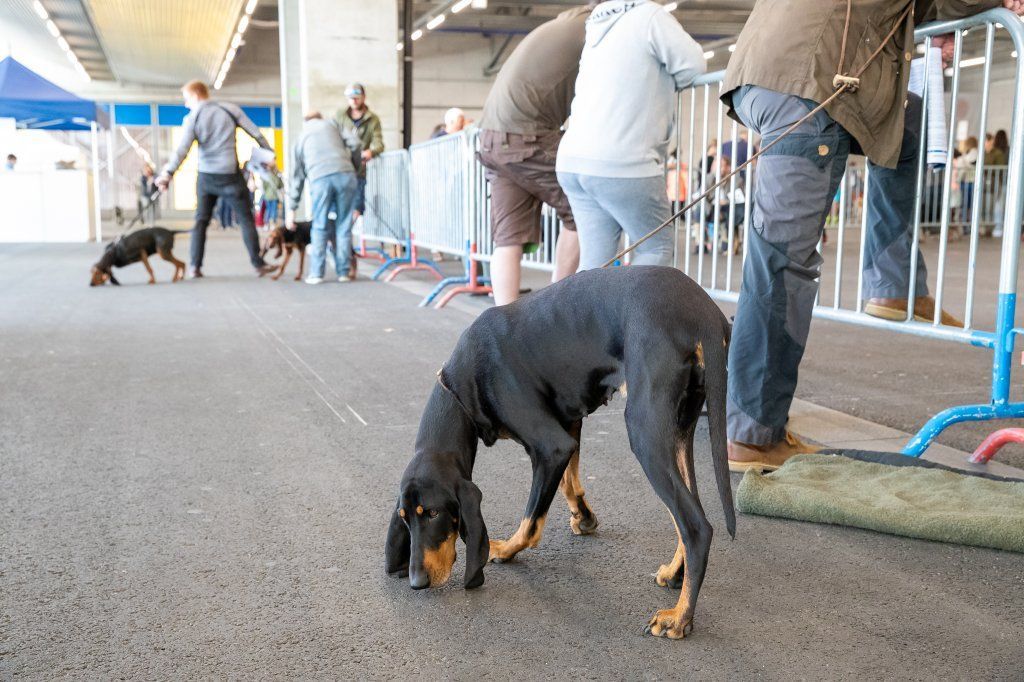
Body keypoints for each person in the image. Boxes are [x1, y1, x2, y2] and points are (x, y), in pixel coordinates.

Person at [720, 0, 1016, 472]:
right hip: (810, 85)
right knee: (782, 262)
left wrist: (928, 22)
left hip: (772, 72)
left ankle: (893, 284)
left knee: (907, 124)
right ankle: (752, 435)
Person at [557, 0, 705, 271]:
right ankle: (635, 314)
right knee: (656, 247)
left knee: (594, 264)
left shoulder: (595, 27)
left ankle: (586, 314)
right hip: (623, 160)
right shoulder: (650, 17)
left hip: (573, 160)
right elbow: (694, 66)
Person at [477, 4, 591, 305]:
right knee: (586, 208)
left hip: (491, 136)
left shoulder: (566, 22)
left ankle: (505, 323)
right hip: (526, 135)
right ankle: (555, 308)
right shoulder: (598, 28)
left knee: (508, 240)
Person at [155, 80, 276, 278]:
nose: (186, 104)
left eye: (186, 99)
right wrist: (269, 155)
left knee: (200, 222)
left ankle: (195, 267)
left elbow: (182, 150)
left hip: (207, 177)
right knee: (246, 219)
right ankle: (258, 263)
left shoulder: (193, 117)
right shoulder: (230, 110)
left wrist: (167, 174)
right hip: (231, 175)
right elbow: (257, 133)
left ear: (195, 95)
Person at [287, 111, 362, 284]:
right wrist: (354, 168)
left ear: (306, 122)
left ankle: (316, 274)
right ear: (321, 118)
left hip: (320, 178)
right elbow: (356, 143)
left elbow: (297, 176)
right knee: (344, 225)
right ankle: (343, 272)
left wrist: (292, 207)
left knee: (320, 225)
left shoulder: (301, 136)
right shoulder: (333, 125)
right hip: (346, 175)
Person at [337, 84, 385, 222]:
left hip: (359, 172)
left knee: (357, 210)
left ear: (363, 97)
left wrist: (371, 151)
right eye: (350, 98)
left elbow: (378, 142)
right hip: (341, 169)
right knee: (339, 210)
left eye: (357, 98)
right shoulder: (340, 116)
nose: (354, 101)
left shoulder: (373, 119)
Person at [260, 162, 284, 228]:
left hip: (267, 196)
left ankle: (266, 224)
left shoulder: (266, 176)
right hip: (274, 196)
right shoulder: (276, 176)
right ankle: (272, 223)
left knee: (268, 209)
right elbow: (280, 185)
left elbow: (264, 186)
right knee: (273, 210)